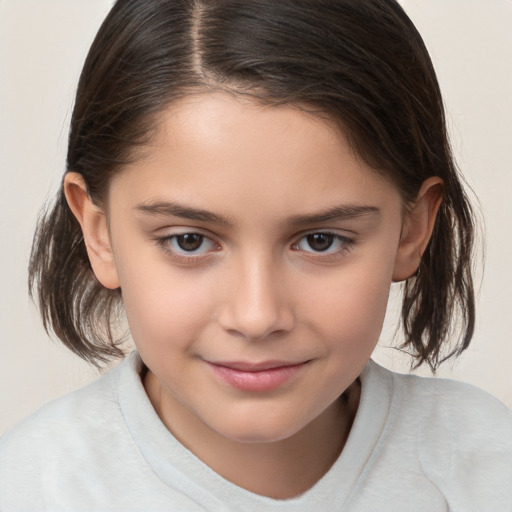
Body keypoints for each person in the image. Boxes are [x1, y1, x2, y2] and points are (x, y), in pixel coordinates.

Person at [1, 0, 511, 510]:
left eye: (320, 240)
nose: (257, 317)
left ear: (411, 230)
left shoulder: (488, 466)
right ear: (100, 233)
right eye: (189, 241)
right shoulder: (29, 489)